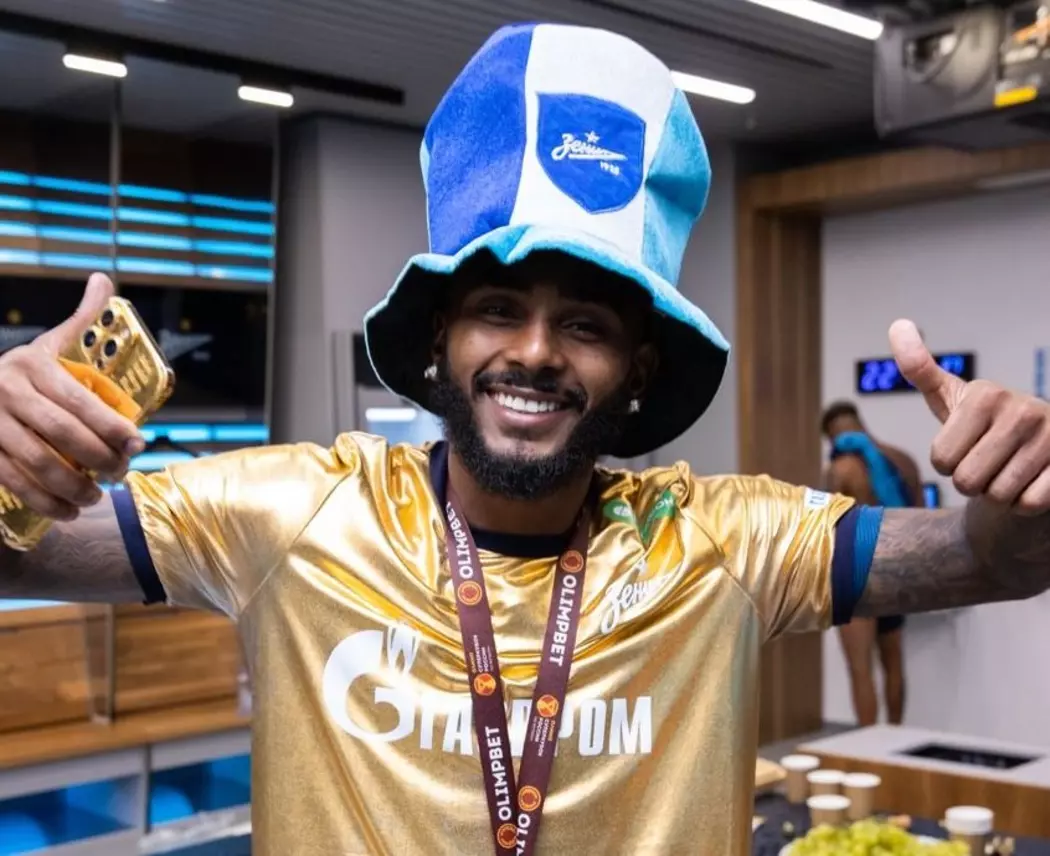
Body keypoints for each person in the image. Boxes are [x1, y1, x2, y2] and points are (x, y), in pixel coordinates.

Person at [1, 23, 1050, 856]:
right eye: (498, 308)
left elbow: (990, 558)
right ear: (439, 340)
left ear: (639, 369)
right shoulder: (296, 513)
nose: (537, 352)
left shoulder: (720, 542)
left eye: (585, 324)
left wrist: (1020, 494)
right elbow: (22, 550)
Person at [821, 401, 923, 726]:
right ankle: (895, 736)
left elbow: (829, 531)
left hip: (856, 574)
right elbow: (922, 520)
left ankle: (868, 748)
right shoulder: (903, 461)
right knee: (894, 663)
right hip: (895, 571)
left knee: (860, 669)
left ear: (830, 435)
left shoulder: (839, 469)